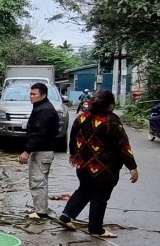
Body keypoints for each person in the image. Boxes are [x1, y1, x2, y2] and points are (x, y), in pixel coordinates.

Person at [58, 90, 139, 238]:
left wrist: (73, 155)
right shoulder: (111, 122)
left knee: (83, 190)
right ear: (110, 105)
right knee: (100, 196)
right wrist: (132, 167)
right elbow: (123, 146)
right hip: (105, 169)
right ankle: (95, 229)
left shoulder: (82, 117)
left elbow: (72, 138)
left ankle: (66, 216)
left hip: (83, 166)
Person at [18, 82, 60, 219]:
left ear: (43, 95)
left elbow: (39, 133)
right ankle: (40, 207)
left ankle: (41, 211)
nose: (31, 97)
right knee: (39, 180)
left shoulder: (44, 110)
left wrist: (27, 151)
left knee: (38, 181)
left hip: (42, 151)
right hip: (42, 149)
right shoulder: (41, 107)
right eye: (30, 94)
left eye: (34, 94)